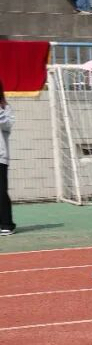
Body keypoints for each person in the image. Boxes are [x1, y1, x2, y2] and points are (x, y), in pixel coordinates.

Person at [0, 78, 13, 236]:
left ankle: (6, 223)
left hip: (0, 156)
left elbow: (7, 125)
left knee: (1, 191)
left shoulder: (5, 108)